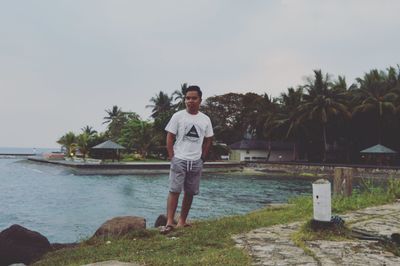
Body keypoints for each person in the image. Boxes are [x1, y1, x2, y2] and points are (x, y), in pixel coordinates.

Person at [161, 85, 213, 234]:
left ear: (200, 100)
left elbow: (209, 139)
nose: (190, 101)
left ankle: (182, 221)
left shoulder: (205, 119)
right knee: (174, 190)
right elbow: (170, 136)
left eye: (194, 98)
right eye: (187, 98)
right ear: (185, 100)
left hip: (196, 161)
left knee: (190, 192)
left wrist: (203, 157)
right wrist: (172, 157)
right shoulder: (178, 116)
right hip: (179, 159)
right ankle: (170, 222)